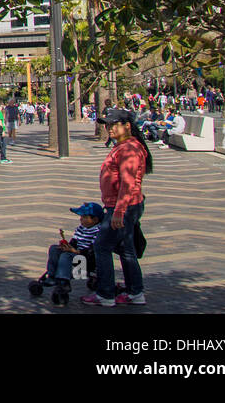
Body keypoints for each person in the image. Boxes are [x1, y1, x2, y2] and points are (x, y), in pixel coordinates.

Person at [83, 108, 152, 307]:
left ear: (127, 126)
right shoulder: (124, 146)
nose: (109, 128)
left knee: (101, 246)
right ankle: (135, 292)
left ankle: (105, 294)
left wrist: (119, 212)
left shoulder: (129, 149)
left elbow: (128, 183)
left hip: (123, 207)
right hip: (124, 205)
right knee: (126, 250)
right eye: (107, 125)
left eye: (113, 125)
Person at [39, 202, 104, 300]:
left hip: (86, 261)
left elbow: (92, 251)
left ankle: (63, 281)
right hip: (76, 255)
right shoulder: (81, 229)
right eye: (81, 216)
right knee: (54, 249)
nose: (81, 219)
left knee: (66, 256)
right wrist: (66, 246)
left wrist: (74, 251)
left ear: (95, 219)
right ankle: (51, 276)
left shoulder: (98, 231)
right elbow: (73, 243)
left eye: (85, 217)